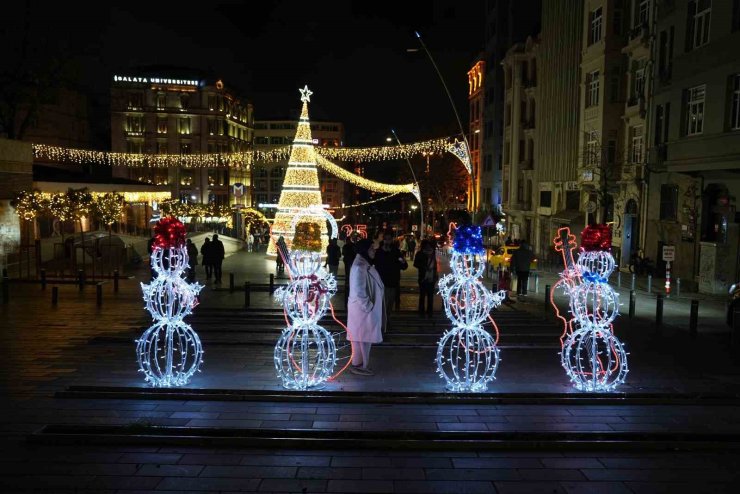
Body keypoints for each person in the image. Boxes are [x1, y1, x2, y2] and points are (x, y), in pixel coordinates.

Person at [347, 238, 384, 376]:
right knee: (362, 339)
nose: (374, 250)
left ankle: (360, 364)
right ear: (365, 250)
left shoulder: (363, 264)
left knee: (362, 339)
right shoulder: (359, 267)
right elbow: (358, 291)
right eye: (371, 248)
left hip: (363, 310)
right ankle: (359, 365)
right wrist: (369, 307)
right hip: (362, 311)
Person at [374, 230, 408, 331]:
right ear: (383, 240)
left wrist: (401, 261)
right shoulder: (379, 252)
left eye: (389, 239)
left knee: (389, 305)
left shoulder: (396, 252)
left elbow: (404, 266)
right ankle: (381, 323)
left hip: (392, 282)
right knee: (382, 305)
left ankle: (386, 321)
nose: (388, 241)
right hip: (381, 283)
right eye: (386, 239)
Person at [414, 240, 438, 317]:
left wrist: (435, 275)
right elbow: (416, 264)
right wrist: (424, 267)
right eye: (427, 246)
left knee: (430, 296)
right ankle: (421, 311)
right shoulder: (420, 254)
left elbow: (435, 266)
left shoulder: (433, 254)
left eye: (429, 246)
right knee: (422, 295)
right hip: (423, 277)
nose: (428, 247)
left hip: (431, 278)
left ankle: (429, 312)